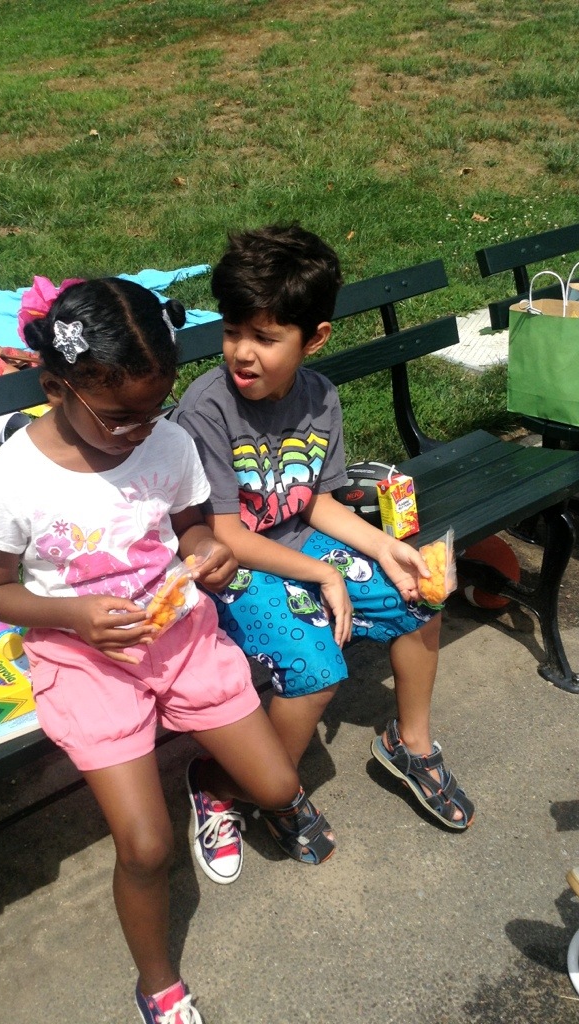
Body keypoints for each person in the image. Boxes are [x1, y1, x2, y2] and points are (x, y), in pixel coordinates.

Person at [0, 276, 335, 1024]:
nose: (139, 431)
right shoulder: (6, 480)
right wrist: (73, 616)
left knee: (277, 787)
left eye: (153, 410)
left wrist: (207, 553)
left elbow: (192, 525)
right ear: (55, 388)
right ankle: (158, 982)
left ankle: (209, 780)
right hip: (84, 658)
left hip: (179, 637)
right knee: (144, 847)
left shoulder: (167, 443)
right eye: (118, 418)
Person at [173, 224, 474, 833]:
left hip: (298, 545)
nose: (242, 352)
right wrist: (322, 575)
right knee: (316, 669)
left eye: (265, 337)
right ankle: (242, 786)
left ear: (315, 338)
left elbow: (315, 502)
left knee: (421, 595)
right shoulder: (207, 410)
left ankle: (410, 744)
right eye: (232, 331)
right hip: (232, 570)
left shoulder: (319, 397)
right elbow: (225, 537)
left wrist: (386, 547)